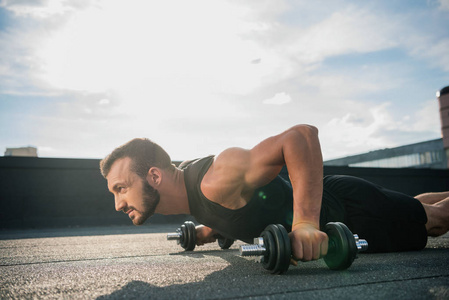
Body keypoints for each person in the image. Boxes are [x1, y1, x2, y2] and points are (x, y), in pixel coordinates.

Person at [100, 125, 449, 262]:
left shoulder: (215, 178)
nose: (118, 203)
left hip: (353, 213)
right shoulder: (192, 192)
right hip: (340, 194)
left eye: (121, 189)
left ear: (155, 176)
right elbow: (242, 208)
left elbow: (300, 137)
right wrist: (211, 230)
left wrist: (306, 224)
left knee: (435, 220)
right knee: (415, 204)